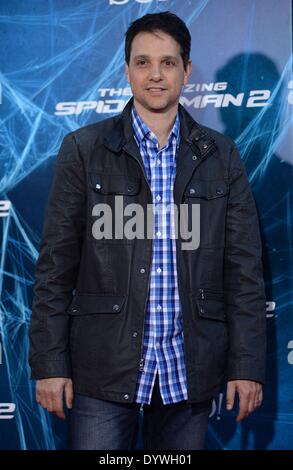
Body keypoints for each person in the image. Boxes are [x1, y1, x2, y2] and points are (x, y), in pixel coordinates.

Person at [29, 11, 266, 450]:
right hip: (102, 368)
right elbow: (55, 268)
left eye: (168, 62)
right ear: (127, 70)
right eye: (143, 62)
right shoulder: (83, 150)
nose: (155, 75)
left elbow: (244, 273)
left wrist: (247, 366)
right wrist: (50, 362)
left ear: (186, 70)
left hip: (187, 369)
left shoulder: (222, 156)